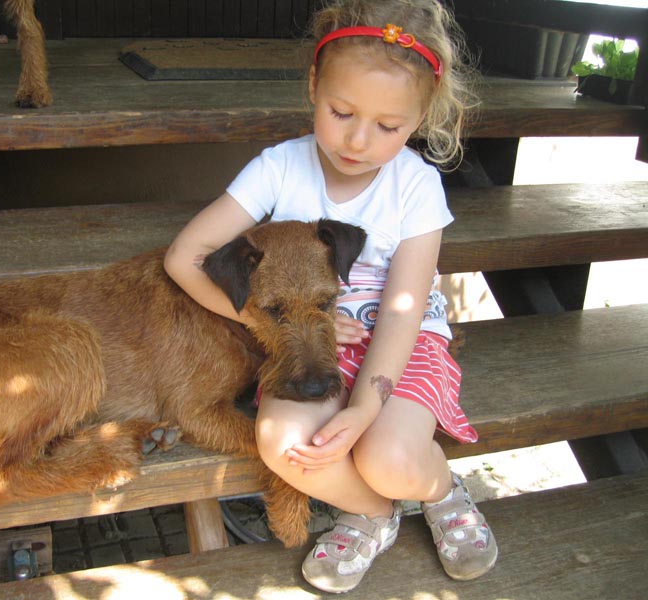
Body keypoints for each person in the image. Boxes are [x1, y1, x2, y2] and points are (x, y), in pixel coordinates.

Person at [164, 0, 496, 593]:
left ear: (419, 118)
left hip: (403, 346)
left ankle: (441, 489)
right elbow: (184, 258)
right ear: (314, 85)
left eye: (388, 126)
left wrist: (364, 409)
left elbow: (403, 312)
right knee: (283, 443)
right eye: (341, 112)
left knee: (388, 459)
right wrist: (266, 324)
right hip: (315, 349)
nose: (358, 140)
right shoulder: (279, 166)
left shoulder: (416, 185)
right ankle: (372, 513)